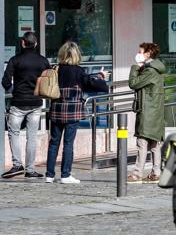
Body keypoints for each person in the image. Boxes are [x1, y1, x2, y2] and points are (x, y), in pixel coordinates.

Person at [46, 42, 109, 184]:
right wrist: (101, 76)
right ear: (76, 55)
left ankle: (49, 175)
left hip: (56, 109)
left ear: (62, 54)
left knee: (54, 142)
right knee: (68, 143)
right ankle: (65, 175)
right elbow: (90, 83)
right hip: (72, 112)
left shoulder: (56, 69)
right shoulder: (78, 71)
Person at [1, 32, 50, 179]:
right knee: (32, 136)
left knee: (14, 133)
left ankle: (17, 165)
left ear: (23, 43)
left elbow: (5, 81)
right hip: (36, 103)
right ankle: (30, 169)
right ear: (35, 44)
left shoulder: (15, 60)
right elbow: (49, 80)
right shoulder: (43, 61)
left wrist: (13, 91)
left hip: (18, 102)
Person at [127, 43, 166, 184]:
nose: (138, 54)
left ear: (148, 54)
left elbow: (133, 83)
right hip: (155, 112)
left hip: (148, 111)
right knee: (155, 144)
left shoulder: (150, 72)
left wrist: (135, 67)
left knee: (142, 143)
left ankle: (137, 174)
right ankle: (156, 173)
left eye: (140, 52)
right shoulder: (155, 70)